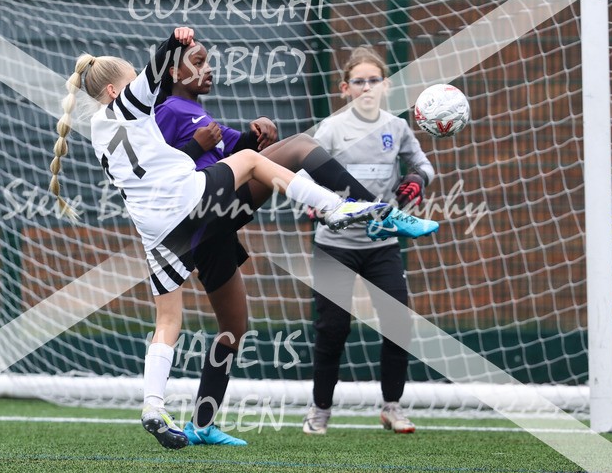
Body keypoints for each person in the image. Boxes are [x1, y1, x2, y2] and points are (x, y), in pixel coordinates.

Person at [49, 27, 388, 450]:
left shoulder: (100, 131)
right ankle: (335, 207)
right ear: (116, 90)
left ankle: (156, 407)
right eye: (134, 81)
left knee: (172, 321)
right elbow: (156, 71)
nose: (145, 86)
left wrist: (237, 138)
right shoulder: (134, 106)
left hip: (156, 232)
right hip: (189, 203)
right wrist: (175, 41)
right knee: (256, 160)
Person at [153, 40, 440, 445]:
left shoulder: (197, 112)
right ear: (173, 73)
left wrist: (258, 134)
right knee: (303, 146)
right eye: (198, 62)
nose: (209, 68)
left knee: (234, 327)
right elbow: (156, 173)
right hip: (203, 210)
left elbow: (241, 152)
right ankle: (380, 213)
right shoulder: (166, 110)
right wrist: (193, 147)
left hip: (215, 227)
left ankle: (202, 424)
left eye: (208, 61)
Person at [302, 46, 435, 436]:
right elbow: (303, 176)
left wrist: (416, 180)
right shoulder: (331, 129)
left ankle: (392, 407)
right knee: (333, 329)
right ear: (345, 88)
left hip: (381, 245)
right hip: (335, 245)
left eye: (373, 80)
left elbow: (423, 165)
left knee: (398, 324)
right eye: (358, 81)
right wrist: (317, 204)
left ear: (386, 86)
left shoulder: (398, 127)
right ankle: (319, 410)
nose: (366, 87)